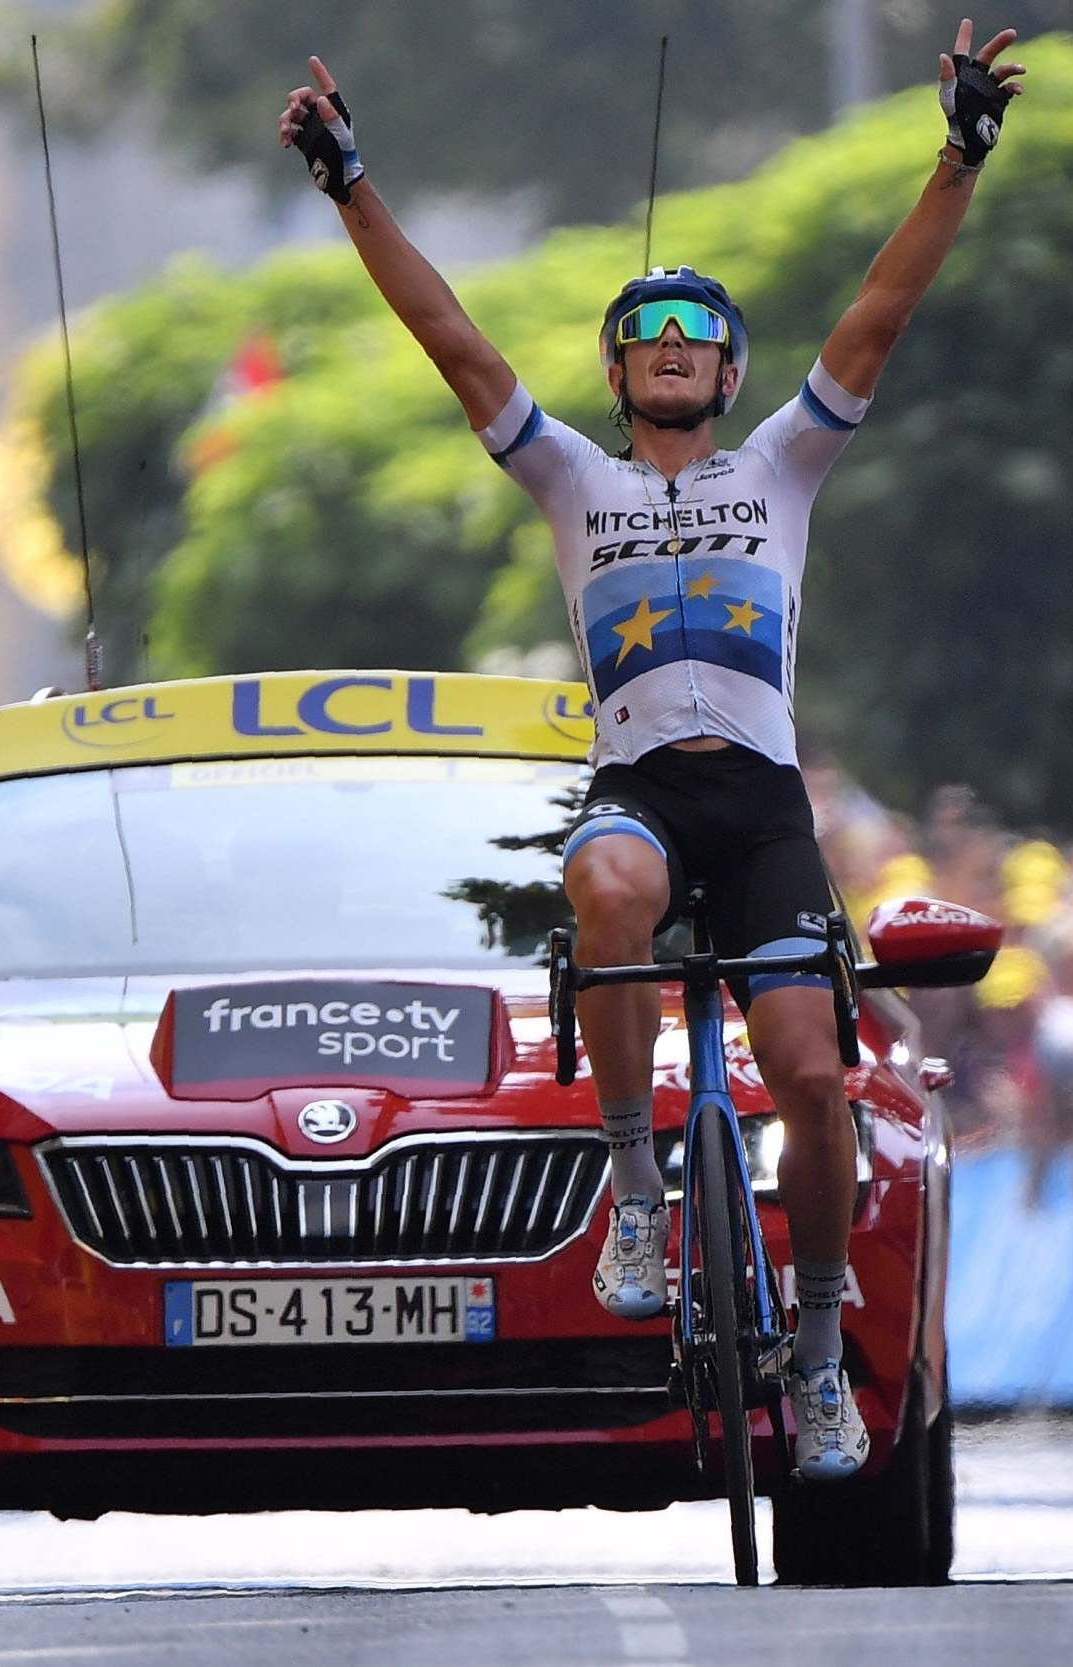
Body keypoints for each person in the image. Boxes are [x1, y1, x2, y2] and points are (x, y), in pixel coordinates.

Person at [277, 18, 1026, 1480]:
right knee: (607, 892)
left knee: (812, 1077)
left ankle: (813, 1356)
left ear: (731, 372)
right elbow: (451, 338)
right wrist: (351, 188)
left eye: (697, 339)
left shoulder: (782, 467)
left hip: (758, 809)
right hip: (639, 791)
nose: (671, 354)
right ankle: (633, 1190)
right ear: (618, 373)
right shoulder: (569, 476)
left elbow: (877, 314)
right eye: (647, 340)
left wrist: (958, 157)